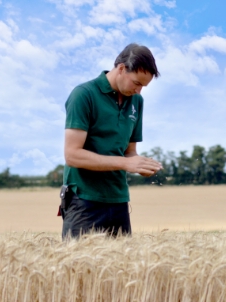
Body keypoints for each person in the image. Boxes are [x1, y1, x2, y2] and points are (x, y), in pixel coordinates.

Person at [61, 43, 162, 239]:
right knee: (78, 268)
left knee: (122, 268)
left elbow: (129, 151)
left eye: (144, 86)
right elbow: (72, 155)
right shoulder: (84, 95)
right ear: (122, 68)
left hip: (118, 200)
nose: (139, 91)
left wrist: (140, 164)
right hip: (83, 200)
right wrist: (126, 163)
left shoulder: (137, 102)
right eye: (136, 83)